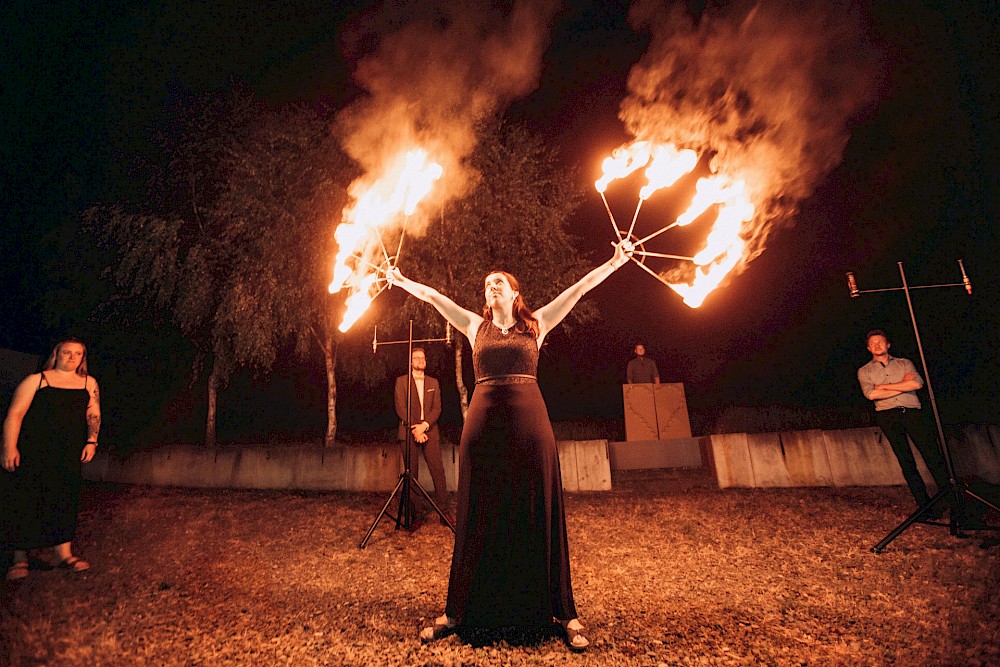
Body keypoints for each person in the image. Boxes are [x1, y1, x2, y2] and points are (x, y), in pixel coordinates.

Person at [387, 239, 633, 652]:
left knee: (538, 507)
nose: (491, 286)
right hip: (483, 427)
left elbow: (579, 290)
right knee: (478, 511)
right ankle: (458, 611)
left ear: (515, 292)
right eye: (487, 284)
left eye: (499, 282)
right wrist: (400, 280)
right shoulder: (473, 326)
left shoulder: (536, 323)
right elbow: (433, 297)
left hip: (529, 424)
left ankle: (564, 613)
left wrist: (613, 261)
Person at [2, 336, 100, 580]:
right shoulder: (37, 380)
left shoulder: (89, 383)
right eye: (67, 352)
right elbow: (15, 413)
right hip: (34, 450)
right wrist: (9, 447)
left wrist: (92, 441)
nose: (72, 357)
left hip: (67, 453)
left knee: (65, 499)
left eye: (78, 354)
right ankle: (20, 558)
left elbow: (93, 412)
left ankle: (63, 555)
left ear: (82, 358)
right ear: (56, 354)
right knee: (26, 499)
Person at [857, 329, 951, 518]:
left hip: (912, 414)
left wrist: (883, 387)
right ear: (868, 348)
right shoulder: (864, 371)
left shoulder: (904, 363)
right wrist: (901, 385)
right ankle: (924, 506)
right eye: (873, 343)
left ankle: (951, 500)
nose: (877, 345)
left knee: (933, 455)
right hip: (887, 416)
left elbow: (917, 384)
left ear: (888, 344)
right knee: (906, 462)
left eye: (880, 341)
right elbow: (871, 394)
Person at [395, 347, 450, 525]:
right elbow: (400, 408)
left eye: (423, 357)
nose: (420, 360)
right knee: (411, 473)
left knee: (438, 471)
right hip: (408, 431)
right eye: (416, 358)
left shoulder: (433, 382)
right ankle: (416, 514)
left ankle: (444, 513)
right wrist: (415, 429)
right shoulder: (402, 381)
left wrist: (424, 426)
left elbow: (437, 408)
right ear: (410, 362)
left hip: (430, 431)